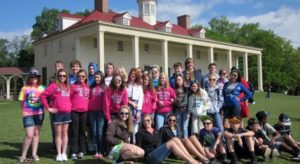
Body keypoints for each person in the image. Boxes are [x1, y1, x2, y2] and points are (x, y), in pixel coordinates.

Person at [41, 69, 71, 162]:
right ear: (57, 77)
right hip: (57, 113)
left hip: (67, 113)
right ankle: (58, 153)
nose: (62, 77)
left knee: (65, 133)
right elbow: (43, 96)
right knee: (58, 134)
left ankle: (64, 153)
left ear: (66, 77)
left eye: (64, 76)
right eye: (60, 76)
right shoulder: (53, 86)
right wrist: (48, 108)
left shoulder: (68, 87)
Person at [18, 69, 45, 163]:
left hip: (39, 114)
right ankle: (23, 155)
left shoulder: (42, 88)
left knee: (36, 134)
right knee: (29, 135)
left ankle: (34, 154)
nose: (34, 79)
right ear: (29, 78)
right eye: (32, 77)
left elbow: (45, 100)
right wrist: (25, 110)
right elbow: (21, 101)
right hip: (28, 114)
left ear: (38, 78)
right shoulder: (24, 88)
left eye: (35, 77)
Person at [69, 69, 90, 160]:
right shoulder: (73, 86)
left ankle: (82, 150)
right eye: (79, 76)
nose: (81, 78)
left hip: (84, 112)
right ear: (77, 77)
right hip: (74, 111)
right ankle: (74, 151)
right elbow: (69, 98)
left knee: (82, 131)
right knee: (74, 131)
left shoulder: (88, 87)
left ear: (85, 78)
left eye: (83, 76)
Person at [88, 71, 107, 159]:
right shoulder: (91, 87)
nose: (97, 79)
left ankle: (101, 150)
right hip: (92, 111)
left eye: (98, 77)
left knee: (100, 132)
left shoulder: (105, 88)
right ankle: (96, 150)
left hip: (101, 112)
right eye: (95, 77)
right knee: (94, 132)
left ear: (102, 78)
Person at [48, 60, 64, 150]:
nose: (58, 68)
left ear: (62, 66)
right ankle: (55, 144)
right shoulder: (52, 78)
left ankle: (63, 145)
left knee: (63, 127)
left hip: (63, 105)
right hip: (53, 105)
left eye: (60, 66)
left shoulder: (65, 77)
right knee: (54, 126)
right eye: (57, 66)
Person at [126, 68, 144, 144]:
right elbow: (124, 97)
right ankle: (128, 142)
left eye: (135, 74)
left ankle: (135, 143)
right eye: (132, 73)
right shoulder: (126, 85)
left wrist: (138, 111)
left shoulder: (139, 86)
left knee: (135, 128)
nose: (133, 75)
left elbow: (141, 98)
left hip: (136, 107)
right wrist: (131, 103)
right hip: (128, 106)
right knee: (128, 126)